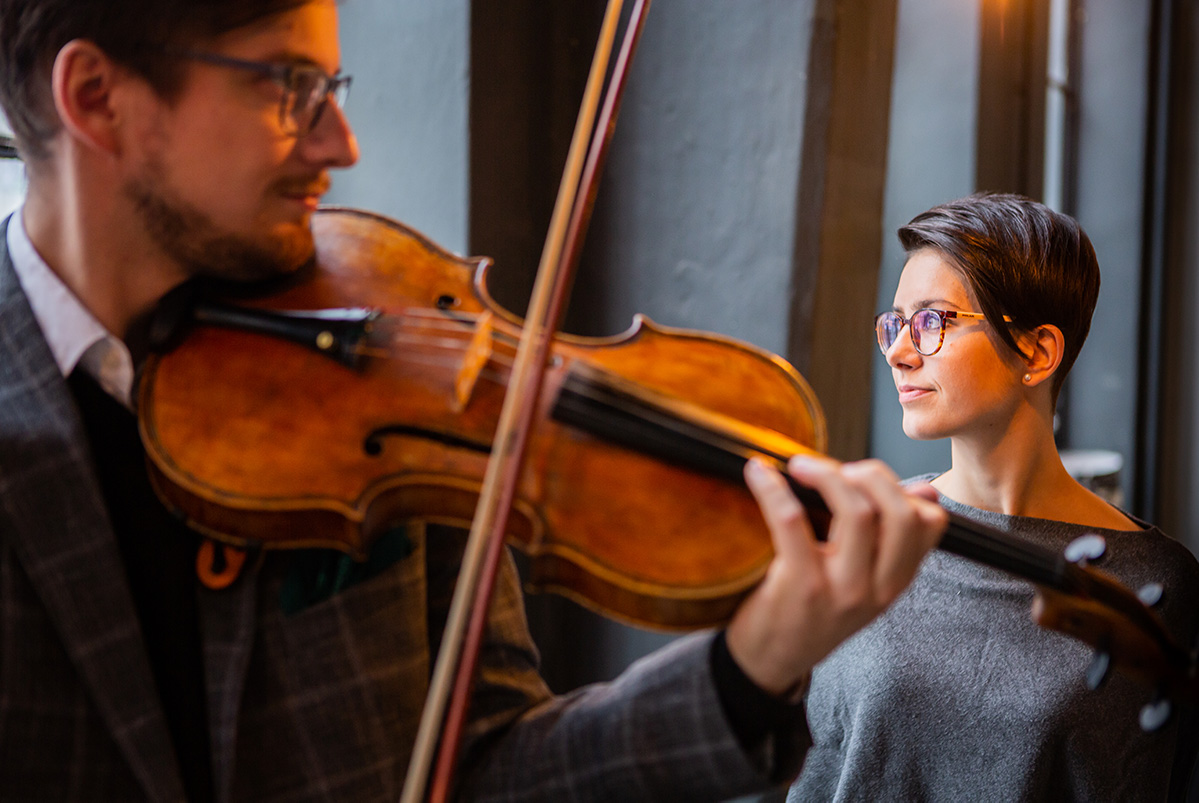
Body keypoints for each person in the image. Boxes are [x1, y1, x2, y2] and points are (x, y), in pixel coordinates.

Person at [0, 1, 947, 800]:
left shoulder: (390, 353)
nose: (341, 141)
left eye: (333, 88)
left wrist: (748, 670)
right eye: (288, 87)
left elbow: (491, 763)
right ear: (97, 98)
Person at [789, 193, 1199, 802]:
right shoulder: (865, 530)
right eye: (895, 324)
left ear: (1037, 353)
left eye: (933, 321)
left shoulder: (1158, 583)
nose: (900, 352)